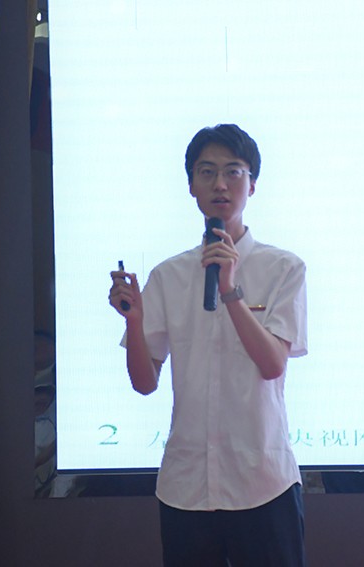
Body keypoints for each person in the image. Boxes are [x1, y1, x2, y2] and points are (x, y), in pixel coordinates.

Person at [109, 124, 308, 566]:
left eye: (233, 172)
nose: (220, 184)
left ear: (252, 184)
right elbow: (145, 383)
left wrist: (230, 290)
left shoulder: (284, 268)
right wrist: (135, 321)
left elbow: (273, 365)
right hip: (187, 487)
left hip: (263, 482)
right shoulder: (168, 276)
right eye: (207, 172)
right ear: (191, 186)